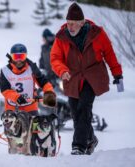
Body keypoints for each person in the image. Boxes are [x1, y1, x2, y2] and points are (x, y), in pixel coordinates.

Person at [50, 3, 123, 155]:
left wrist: (117, 74)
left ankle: (79, 146)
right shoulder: (61, 37)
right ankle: (91, 138)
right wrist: (62, 70)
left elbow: (109, 54)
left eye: (74, 24)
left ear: (82, 23)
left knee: (84, 108)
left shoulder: (97, 34)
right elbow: (55, 58)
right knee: (76, 113)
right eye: (68, 23)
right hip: (72, 78)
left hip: (92, 77)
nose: (70, 27)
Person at [0, 43, 56, 116]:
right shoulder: (5, 71)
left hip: (30, 107)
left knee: (35, 127)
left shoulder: (32, 68)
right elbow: (4, 90)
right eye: (16, 57)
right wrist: (17, 97)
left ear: (25, 56)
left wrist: (49, 93)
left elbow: (43, 82)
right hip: (12, 108)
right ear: (11, 57)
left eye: (21, 56)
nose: (19, 60)